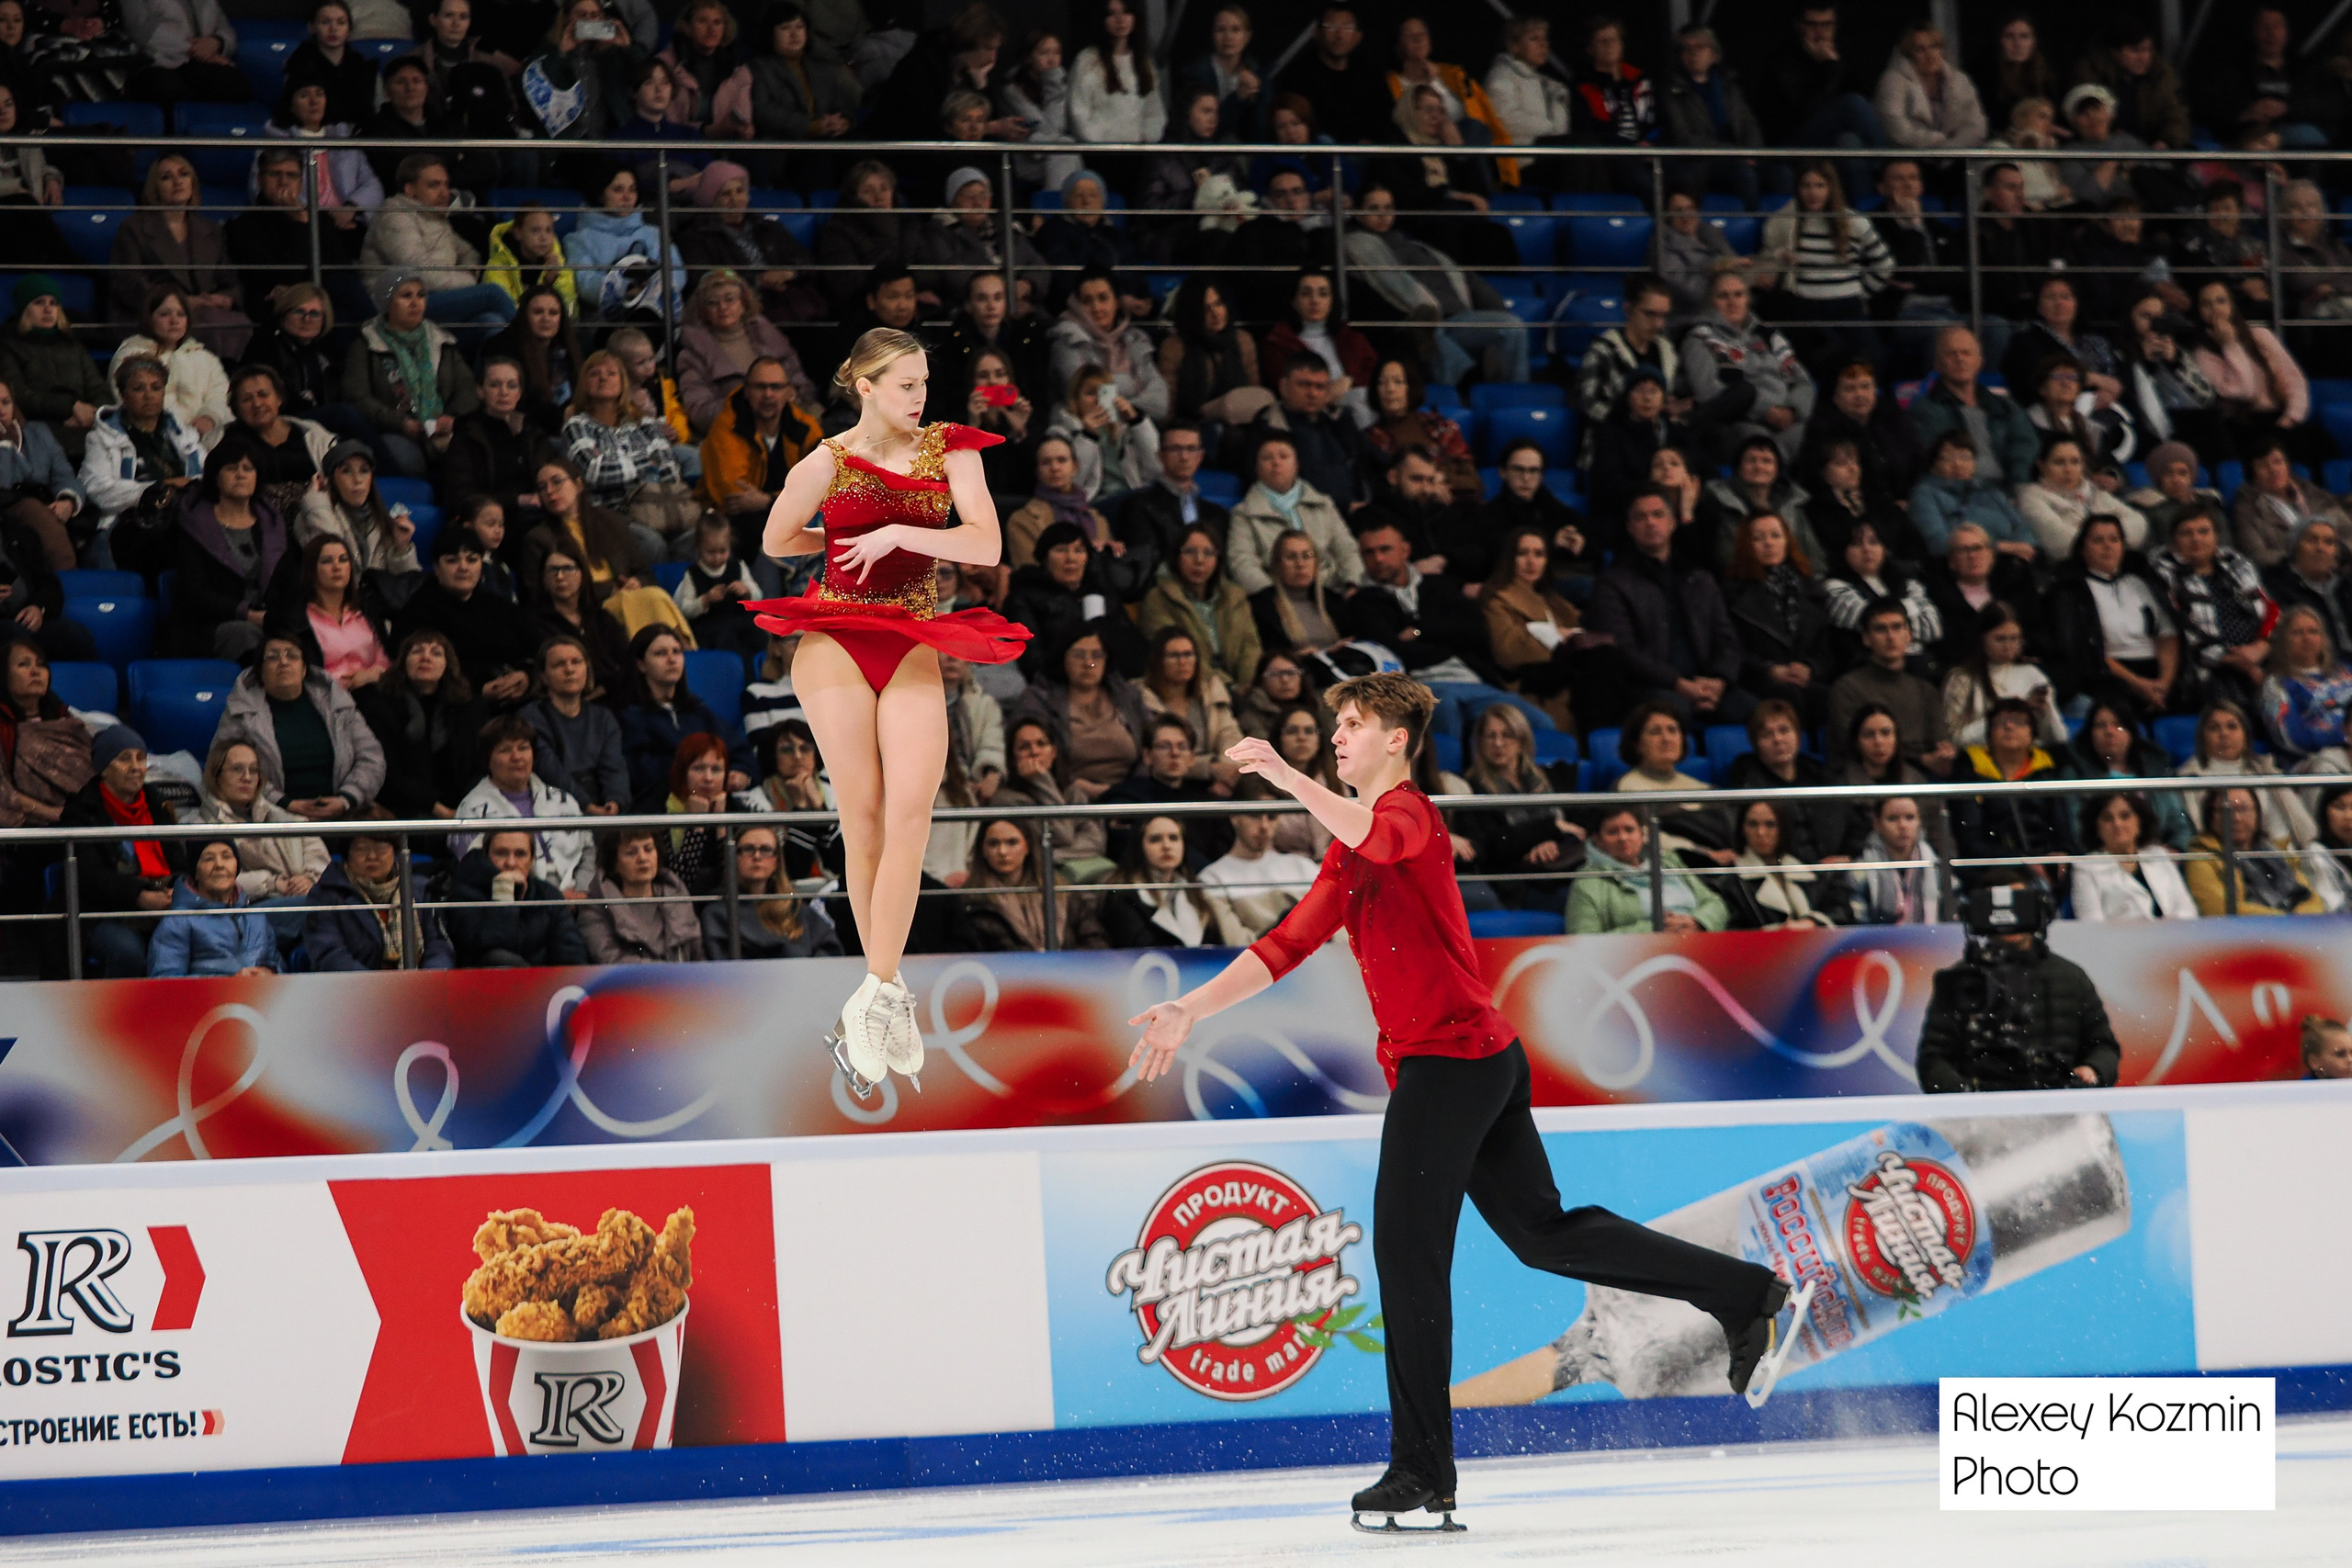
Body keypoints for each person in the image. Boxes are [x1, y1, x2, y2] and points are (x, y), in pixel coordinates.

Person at [1132, 672, 1786, 1519]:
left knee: (1408, 1265)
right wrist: (1191, 1006)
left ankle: (1421, 1468)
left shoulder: (1410, 817)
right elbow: (1287, 944)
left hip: (1451, 1066)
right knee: (1543, 1232)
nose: (1336, 736)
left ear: (1396, 741)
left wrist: (1290, 781)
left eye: (1353, 723)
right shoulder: (1350, 845)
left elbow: (1374, 832)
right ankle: (1744, 1292)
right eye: (1335, 724)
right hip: (1474, 1061)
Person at [752, 326, 1031, 1084]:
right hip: (838, 631)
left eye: (924, 383)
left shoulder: (951, 448)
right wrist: (838, 541)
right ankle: (881, 991)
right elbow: (779, 540)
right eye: (906, 384)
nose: (920, 397)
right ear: (865, 385)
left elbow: (985, 545)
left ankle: (876, 994)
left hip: (910, 629)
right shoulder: (827, 460)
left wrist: (897, 532)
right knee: (865, 813)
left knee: (915, 809)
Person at [1913, 871, 2119, 1091]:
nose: (2009, 915)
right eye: (1997, 907)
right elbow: (1933, 1060)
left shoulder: (2070, 978)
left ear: (2038, 910)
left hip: (2061, 1106)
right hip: (1982, 1115)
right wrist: (1966, 1095)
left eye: (2019, 904)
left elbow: (2104, 1047)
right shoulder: (1960, 982)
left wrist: (2092, 1070)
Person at [1346, 521, 1544, 739]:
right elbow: (1394, 651)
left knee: (1541, 723)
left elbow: (1476, 633)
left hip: (1473, 680)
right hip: (1421, 686)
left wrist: (1421, 631)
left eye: (1385, 549)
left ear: (1405, 550)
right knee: (1445, 711)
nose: (1379, 559)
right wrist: (1445, 641)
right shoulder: (1362, 603)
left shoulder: (1440, 587)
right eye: (1369, 553)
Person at [1586, 488, 1750, 728]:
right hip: (1650, 686)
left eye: (1658, 515)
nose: (1650, 522)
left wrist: (1719, 681)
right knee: (1673, 711)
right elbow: (1623, 651)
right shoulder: (1612, 584)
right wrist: (1678, 684)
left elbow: (1727, 640)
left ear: (1673, 523)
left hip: (1707, 682)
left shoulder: (1699, 578)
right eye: (1641, 517)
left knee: (1756, 713)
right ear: (1630, 528)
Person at [214, 627, 385, 822]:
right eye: (272, 657)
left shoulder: (337, 705)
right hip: (270, 818)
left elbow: (372, 757)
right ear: (260, 672)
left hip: (344, 815)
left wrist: (346, 798)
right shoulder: (241, 712)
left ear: (304, 669)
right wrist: (285, 803)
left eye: (293, 656)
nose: (283, 661)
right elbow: (222, 767)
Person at [57, 727, 187, 977]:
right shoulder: (82, 811)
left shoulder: (156, 804)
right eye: (125, 758)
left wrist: (174, 887)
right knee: (128, 952)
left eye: (141, 758)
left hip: (160, 903)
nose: (137, 767)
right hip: (101, 912)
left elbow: (178, 861)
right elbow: (90, 876)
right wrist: (138, 895)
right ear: (104, 768)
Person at [343, 272, 482, 479]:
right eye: (406, 296)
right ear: (388, 303)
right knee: (408, 461)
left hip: (443, 428)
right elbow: (357, 398)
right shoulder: (365, 346)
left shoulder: (441, 340)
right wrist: (401, 423)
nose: (415, 303)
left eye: (421, 295)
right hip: (394, 430)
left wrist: (451, 418)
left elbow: (467, 387)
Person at [111, 154, 249, 359]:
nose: (177, 181)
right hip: (155, 315)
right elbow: (130, 284)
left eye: (184, 174)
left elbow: (231, 281)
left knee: (240, 323)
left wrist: (225, 300)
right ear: (154, 187)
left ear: (192, 182)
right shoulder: (134, 228)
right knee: (213, 324)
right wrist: (182, 303)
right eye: (166, 177)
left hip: (205, 313)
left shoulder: (210, 230)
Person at [358, 158, 512, 333]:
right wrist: (468, 281)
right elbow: (418, 273)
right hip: (400, 302)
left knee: (492, 322)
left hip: (439, 296)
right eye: (434, 185)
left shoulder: (434, 217)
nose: (445, 193)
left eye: (446, 185)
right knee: (491, 294)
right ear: (410, 190)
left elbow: (468, 253)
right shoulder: (395, 216)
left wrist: (464, 273)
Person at [2151, 506, 2278, 714]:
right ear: (2173, 542)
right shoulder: (2165, 575)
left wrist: (2262, 645)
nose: (2196, 539)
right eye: (2186, 533)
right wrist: (2242, 664)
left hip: (2258, 655)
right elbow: (2184, 631)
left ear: (2216, 536)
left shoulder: (2237, 564)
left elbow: (2271, 611)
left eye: (2203, 531)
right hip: (2209, 668)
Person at [1682, 271, 1815, 466]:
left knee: (1818, 440)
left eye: (1738, 294)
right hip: (1740, 421)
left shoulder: (1769, 335)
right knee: (1761, 448)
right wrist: (1764, 410)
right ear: (1711, 302)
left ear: (1748, 299)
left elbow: (1803, 381)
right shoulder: (1700, 338)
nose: (1732, 302)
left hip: (1786, 418)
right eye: (1723, 296)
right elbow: (1707, 392)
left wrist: (1792, 411)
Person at [301, 806, 453, 970]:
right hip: (355, 991)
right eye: (361, 848)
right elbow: (329, 956)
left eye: (381, 848)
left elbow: (440, 946)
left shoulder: (420, 889)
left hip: (419, 988)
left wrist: (427, 981)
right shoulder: (325, 895)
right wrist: (377, 988)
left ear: (395, 851)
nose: (372, 857)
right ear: (347, 853)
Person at [391, 526, 534, 702]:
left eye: (472, 560)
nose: (463, 567)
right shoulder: (418, 611)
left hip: (515, 697)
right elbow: (415, 670)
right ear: (436, 568)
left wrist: (526, 676)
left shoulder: (501, 607)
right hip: (451, 703)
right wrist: (478, 690)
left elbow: (534, 650)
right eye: (452, 561)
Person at [2192, 280, 2323, 466]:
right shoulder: (2202, 353)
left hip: (2280, 418)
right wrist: (2230, 346)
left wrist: (2289, 419)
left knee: (2319, 442)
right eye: (2206, 304)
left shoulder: (2261, 335)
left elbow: (2295, 381)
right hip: (2244, 424)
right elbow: (2243, 391)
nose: (2215, 309)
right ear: (2199, 311)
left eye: (2221, 301)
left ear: (2231, 305)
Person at [1722, 513, 1831, 726]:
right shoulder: (1732, 593)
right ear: (1746, 546)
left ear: (1787, 542)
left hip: (1804, 678)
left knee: (1832, 697)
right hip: (1758, 680)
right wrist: (1769, 670)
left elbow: (1825, 649)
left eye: (1775, 536)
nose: (1769, 543)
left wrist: (1810, 668)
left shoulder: (1811, 590)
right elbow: (1732, 649)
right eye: (1759, 538)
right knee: (1787, 696)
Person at [1226, 432, 1362, 598]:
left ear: (1297, 464)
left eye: (1284, 456)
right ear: (1256, 468)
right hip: (1277, 596)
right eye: (1267, 458)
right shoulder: (1243, 513)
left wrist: (1352, 583)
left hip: (1333, 591)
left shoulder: (1323, 504)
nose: (1276, 463)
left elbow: (1346, 549)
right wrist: (1273, 597)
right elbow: (1242, 563)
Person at [1826, 596, 1954, 773]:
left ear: (1909, 634)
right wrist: (1921, 759)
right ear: (1866, 638)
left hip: (1925, 776)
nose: (1891, 637)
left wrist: (1944, 754)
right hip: (1869, 778)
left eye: (1897, 627)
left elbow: (1940, 741)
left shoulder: (1925, 690)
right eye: (1880, 629)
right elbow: (1852, 746)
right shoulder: (1847, 689)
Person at [1908, 325, 2039, 491]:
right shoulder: (1924, 411)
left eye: (1966, 353)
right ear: (1937, 364)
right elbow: (1934, 460)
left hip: (2010, 491)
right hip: (1959, 493)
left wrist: (2018, 486)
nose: (1960, 359)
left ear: (1980, 362)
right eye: (1951, 354)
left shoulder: (2005, 406)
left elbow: (2025, 446)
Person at [442, 827, 591, 967]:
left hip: (542, 989)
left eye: (520, 854)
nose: (511, 863)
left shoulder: (548, 895)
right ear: (486, 854)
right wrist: (504, 893)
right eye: (501, 853)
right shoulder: (465, 893)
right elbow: (491, 952)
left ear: (532, 859)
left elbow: (572, 958)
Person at [1136, 525, 1259, 691]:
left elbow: (1250, 647)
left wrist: (1248, 686)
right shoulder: (1158, 600)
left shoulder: (1234, 597)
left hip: (1242, 689)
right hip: (1190, 688)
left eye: (1208, 553)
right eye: (1190, 552)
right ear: (1176, 556)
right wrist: (1226, 687)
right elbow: (1176, 656)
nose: (1199, 560)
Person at [703, 823, 842, 959]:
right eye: (748, 849)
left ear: (777, 860)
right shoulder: (717, 913)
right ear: (735, 857)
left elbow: (830, 952)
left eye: (765, 849)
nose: (757, 856)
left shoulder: (796, 909)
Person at [144, 839, 278, 978]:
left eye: (226, 856)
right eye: (209, 859)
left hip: (262, 998)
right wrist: (228, 983)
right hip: (208, 999)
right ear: (196, 872)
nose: (219, 865)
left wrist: (269, 974)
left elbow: (278, 966)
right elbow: (163, 982)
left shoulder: (256, 917)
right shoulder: (177, 922)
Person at [2187, 785, 2328, 916]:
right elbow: (2220, 909)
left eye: (2242, 809)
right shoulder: (2202, 856)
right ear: (2210, 816)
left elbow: (2310, 897)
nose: (2236, 818)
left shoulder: (2273, 851)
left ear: (2257, 813)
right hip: (2244, 937)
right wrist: (2285, 921)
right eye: (2226, 811)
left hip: (2295, 931)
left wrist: (2300, 919)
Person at [576, 824, 704, 964]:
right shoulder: (596, 908)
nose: (642, 858)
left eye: (649, 849)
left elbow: (698, 958)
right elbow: (610, 959)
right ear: (614, 864)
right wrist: (669, 973)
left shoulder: (677, 897)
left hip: (684, 983)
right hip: (627, 984)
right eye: (631, 853)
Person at [2071, 790, 2197, 922]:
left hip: (2173, 938)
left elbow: (2187, 910)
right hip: (2120, 941)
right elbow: (2091, 924)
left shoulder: (2159, 855)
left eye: (2125, 816)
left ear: (2140, 821)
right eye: (2107, 818)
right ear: (2096, 827)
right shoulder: (2085, 868)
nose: (2117, 824)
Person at [2017, 435, 2146, 561]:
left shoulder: (2092, 491)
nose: (2068, 469)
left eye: (2075, 462)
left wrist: (2093, 533)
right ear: (2041, 465)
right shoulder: (2031, 496)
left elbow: (2139, 523)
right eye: (2059, 462)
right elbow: (2061, 542)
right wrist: (2113, 539)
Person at [1909, 431, 2035, 559]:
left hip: (2013, 560)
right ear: (1933, 465)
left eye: (1965, 457)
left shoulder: (1990, 491)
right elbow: (1937, 542)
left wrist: (2022, 546)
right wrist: (1998, 548)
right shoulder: (1925, 495)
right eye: (1948, 458)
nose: (1958, 464)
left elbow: (2021, 526)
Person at [2233, 438, 2350, 571]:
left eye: (2278, 462)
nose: (2273, 470)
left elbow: (2348, 534)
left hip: (2338, 568)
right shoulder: (2247, 508)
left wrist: (2332, 557)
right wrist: (2305, 559)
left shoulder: (2314, 494)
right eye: (2263, 466)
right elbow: (2257, 555)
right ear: (2252, 474)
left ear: (2288, 465)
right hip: (2288, 577)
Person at [2258, 604, 2352, 765]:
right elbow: (2291, 738)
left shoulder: (2346, 671)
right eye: (2297, 633)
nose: (2306, 638)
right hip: (2316, 761)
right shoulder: (2277, 684)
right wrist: (2344, 738)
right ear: (2283, 640)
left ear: (2323, 638)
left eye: (2313, 631)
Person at [1722, 800, 1836, 931]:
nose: (1761, 832)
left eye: (1770, 824)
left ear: (1783, 827)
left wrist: (1812, 922)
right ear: (1742, 829)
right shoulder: (1732, 881)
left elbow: (1838, 908)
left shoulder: (1808, 868)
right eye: (1753, 824)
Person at [1844, 793, 1940, 924]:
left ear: (1919, 822)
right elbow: (1858, 923)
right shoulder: (1860, 873)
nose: (1902, 825)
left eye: (1910, 818)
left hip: (1933, 942)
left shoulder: (1937, 867)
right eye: (1893, 818)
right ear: (1877, 824)